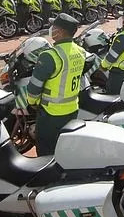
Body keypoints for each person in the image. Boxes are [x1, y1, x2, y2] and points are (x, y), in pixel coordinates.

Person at [25, 14, 85, 155]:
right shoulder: (80, 51)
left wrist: (32, 103)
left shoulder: (50, 55)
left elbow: (34, 88)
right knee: (63, 150)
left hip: (51, 114)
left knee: (46, 152)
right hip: (72, 110)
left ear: (61, 31)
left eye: (54, 26)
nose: (52, 29)